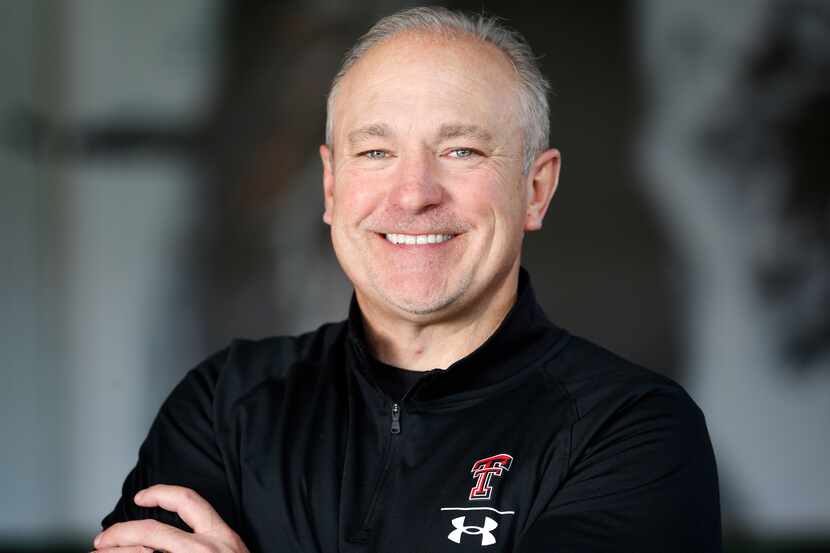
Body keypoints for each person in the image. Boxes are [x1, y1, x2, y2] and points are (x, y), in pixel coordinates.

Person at [94, 7, 721, 552]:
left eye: (461, 151)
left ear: (536, 188)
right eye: (375, 152)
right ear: (332, 187)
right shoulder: (224, 405)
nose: (414, 194)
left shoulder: (631, 429)